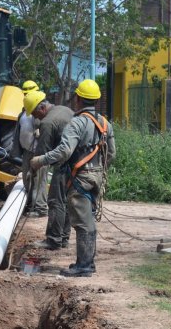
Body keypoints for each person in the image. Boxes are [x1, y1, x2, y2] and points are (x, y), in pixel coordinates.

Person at [30, 79, 116, 277]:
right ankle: (86, 263)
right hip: (96, 177)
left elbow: (64, 151)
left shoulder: (76, 123)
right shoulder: (105, 123)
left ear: (77, 99)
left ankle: (84, 265)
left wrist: (40, 160)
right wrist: (97, 170)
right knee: (88, 219)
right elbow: (111, 153)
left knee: (83, 222)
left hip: (80, 178)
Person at [24, 91, 74, 251]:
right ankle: (63, 237)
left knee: (55, 201)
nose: (35, 118)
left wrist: (32, 170)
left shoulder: (47, 122)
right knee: (66, 202)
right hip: (78, 164)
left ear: (42, 107)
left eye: (35, 113)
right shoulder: (64, 109)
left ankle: (53, 240)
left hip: (64, 165)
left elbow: (41, 155)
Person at [17, 80, 49, 217]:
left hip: (39, 152)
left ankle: (40, 208)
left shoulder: (41, 111)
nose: (26, 97)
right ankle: (30, 205)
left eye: (28, 94)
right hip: (27, 151)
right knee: (27, 179)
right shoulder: (23, 112)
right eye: (25, 94)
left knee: (40, 180)